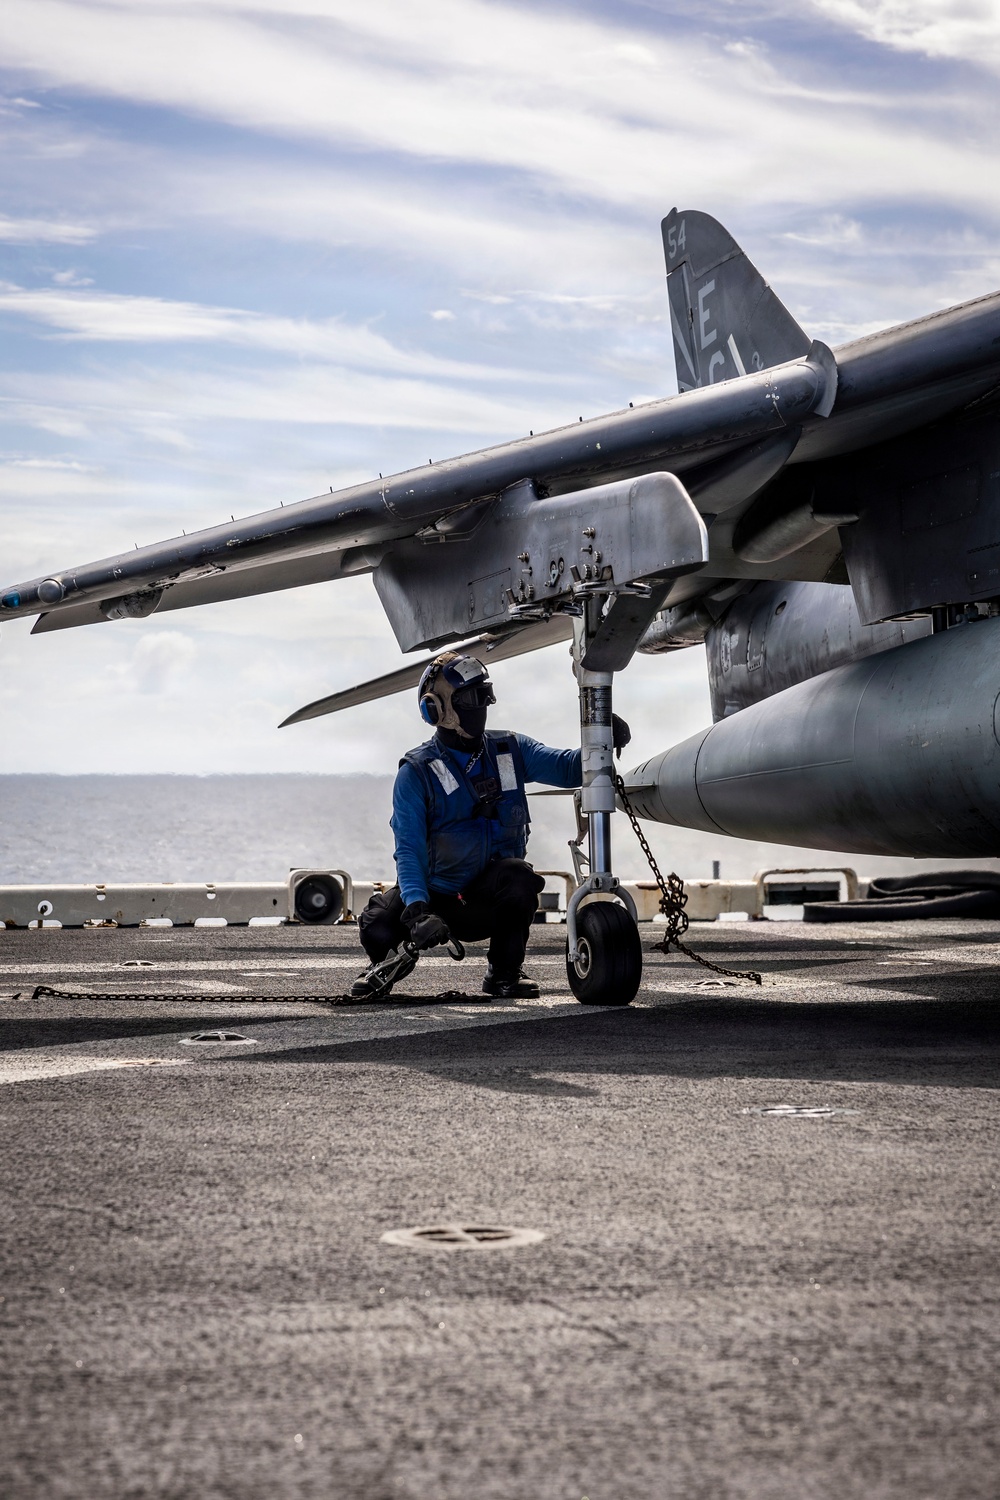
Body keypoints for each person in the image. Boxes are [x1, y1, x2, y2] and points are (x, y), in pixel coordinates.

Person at [352, 651, 630, 1000]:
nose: (480, 706)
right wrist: (418, 913)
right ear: (436, 710)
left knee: (519, 877)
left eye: (483, 696)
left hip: (487, 899)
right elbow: (408, 851)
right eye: (470, 699)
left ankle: (504, 973)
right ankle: (385, 967)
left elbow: (568, 768)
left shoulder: (509, 750)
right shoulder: (416, 773)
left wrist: (601, 737)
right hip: (436, 898)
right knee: (377, 926)